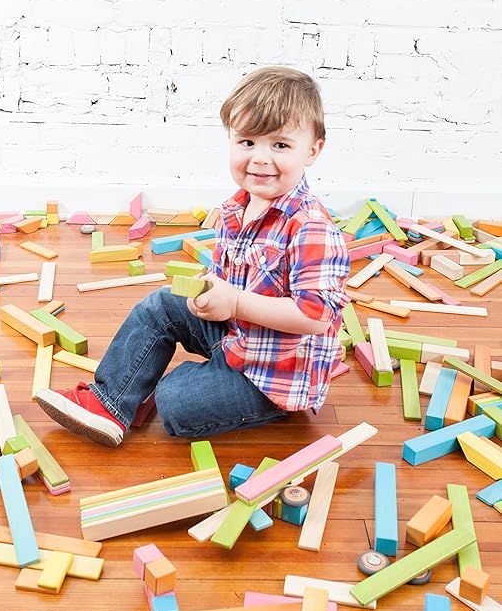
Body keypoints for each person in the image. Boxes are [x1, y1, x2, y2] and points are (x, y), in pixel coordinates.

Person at [35, 66, 350, 446]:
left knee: (173, 401)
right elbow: (227, 278)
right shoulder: (236, 209)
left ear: (312, 151)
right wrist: (209, 291)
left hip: (275, 376)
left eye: (280, 145)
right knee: (162, 304)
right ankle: (110, 403)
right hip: (237, 335)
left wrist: (235, 301)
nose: (260, 158)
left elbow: (315, 317)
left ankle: (177, 391)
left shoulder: (311, 227)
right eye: (247, 142)